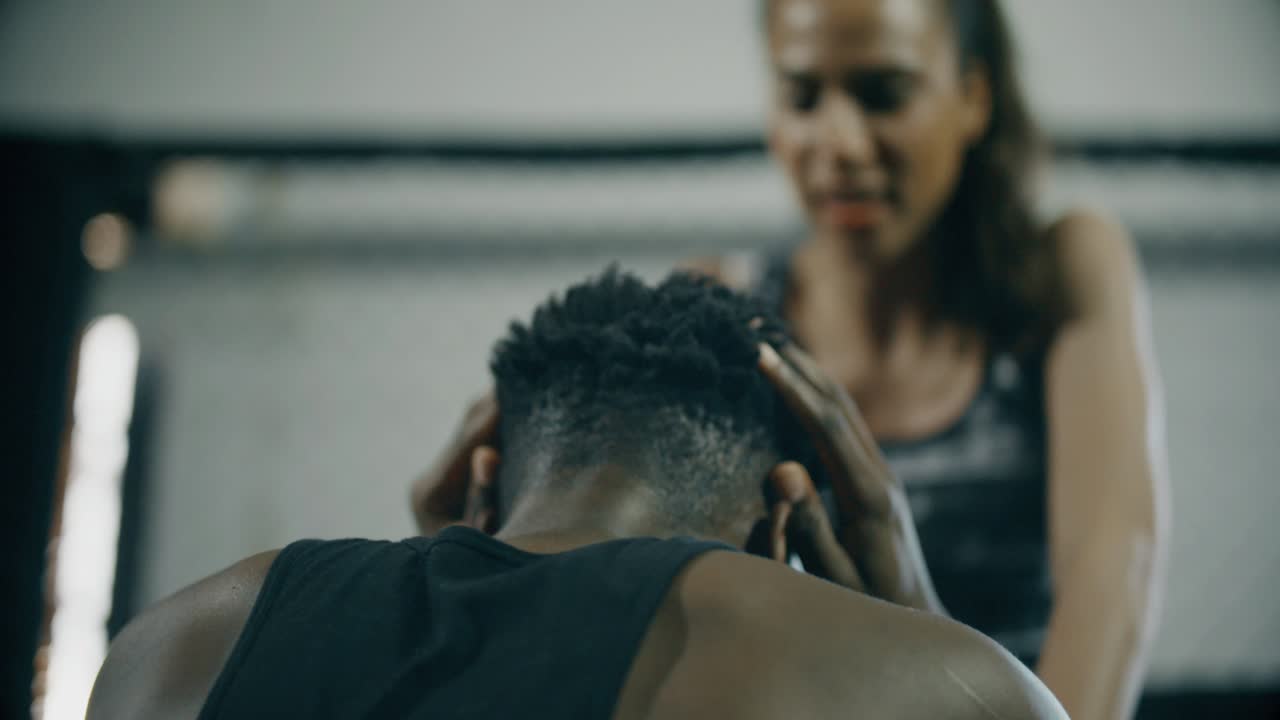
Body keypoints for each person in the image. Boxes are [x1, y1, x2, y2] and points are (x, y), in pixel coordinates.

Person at [413, 2, 1170, 718]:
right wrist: (458, 569)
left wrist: (942, 641)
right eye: (803, 97)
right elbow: (639, 605)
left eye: (883, 94)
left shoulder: (1062, 271)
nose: (838, 142)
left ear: (973, 96)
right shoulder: (724, 304)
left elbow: (1117, 566)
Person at [90, 270, 1066, 719]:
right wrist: (920, 621)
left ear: (480, 473)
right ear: (782, 522)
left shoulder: (171, 646)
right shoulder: (937, 692)